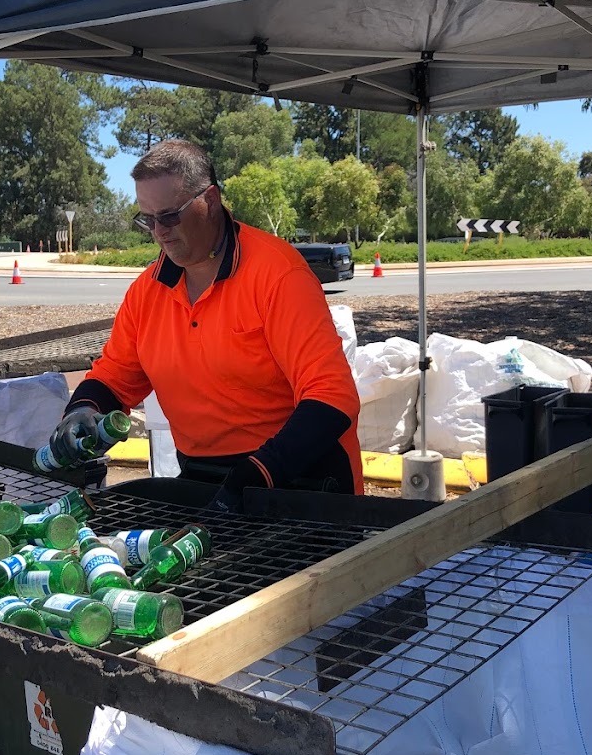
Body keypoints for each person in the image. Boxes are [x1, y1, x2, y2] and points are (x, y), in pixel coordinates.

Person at [47, 140, 362, 510]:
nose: (158, 232)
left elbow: (332, 398)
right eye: (147, 220)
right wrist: (81, 410)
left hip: (299, 473)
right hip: (204, 472)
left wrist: (261, 470)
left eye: (169, 216)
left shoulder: (278, 274)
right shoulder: (147, 291)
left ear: (210, 200)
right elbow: (115, 376)